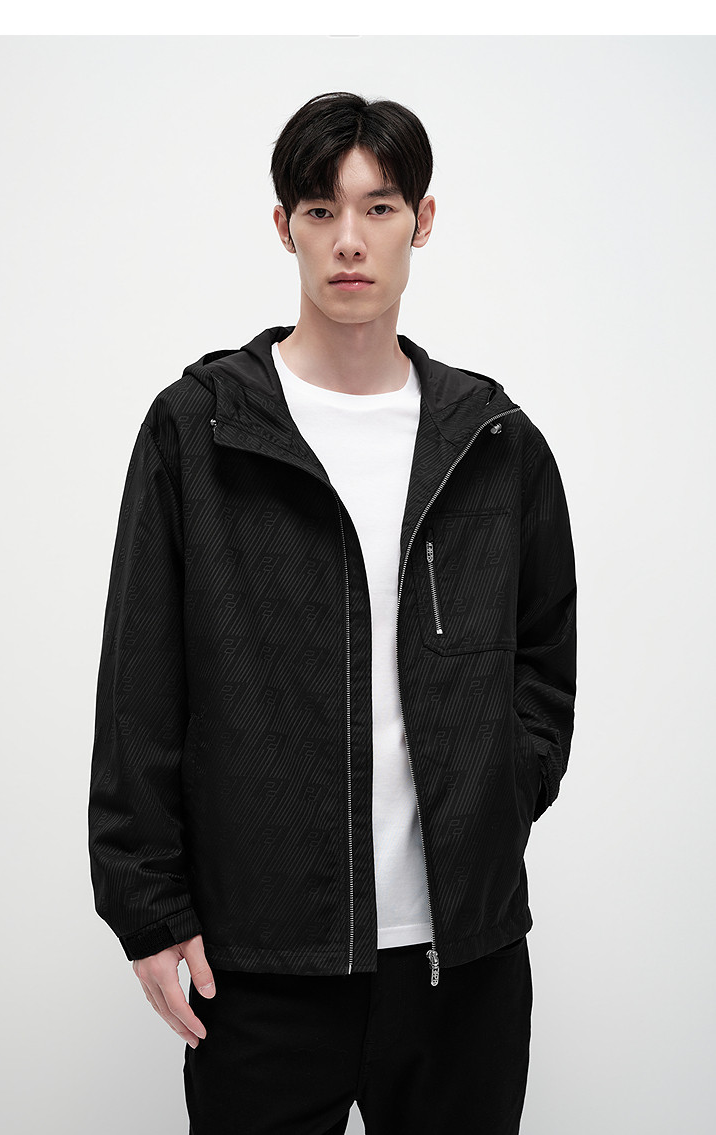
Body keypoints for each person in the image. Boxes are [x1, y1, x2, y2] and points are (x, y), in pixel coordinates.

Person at [88, 91, 577, 1135]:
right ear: (285, 227)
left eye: (379, 207)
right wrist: (148, 909)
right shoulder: (201, 430)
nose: (350, 239)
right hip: (262, 962)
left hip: (464, 964)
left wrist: (498, 792)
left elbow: (544, 659)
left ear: (422, 221)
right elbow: (139, 685)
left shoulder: (493, 441)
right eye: (321, 210)